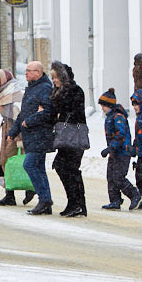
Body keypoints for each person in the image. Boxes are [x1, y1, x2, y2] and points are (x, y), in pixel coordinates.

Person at [9, 61, 55, 215]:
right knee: (39, 168)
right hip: (31, 135)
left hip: (40, 135)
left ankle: (44, 199)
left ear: (38, 72)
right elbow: (24, 113)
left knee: (30, 165)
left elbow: (48, 112)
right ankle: (45, 201)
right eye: (26, 71)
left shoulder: (45, 88)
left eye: (29, 71)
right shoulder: (31, 89)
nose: (26, 73)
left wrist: (29, 121)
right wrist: (13, 131)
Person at [49, 61, 88, 218]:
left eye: (56, 77)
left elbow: (69, 110)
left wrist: (57, 110)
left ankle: (76, 203)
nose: (54, 81)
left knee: (69, 169)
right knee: (65, 168)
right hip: (67, 137)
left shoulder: (74, 91)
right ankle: (76, 203)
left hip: (74, 137)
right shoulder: (61, 92)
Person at [0, 69, 32, 207]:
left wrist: (18, 137)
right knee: (5, 162)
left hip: (14, 133)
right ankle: (10, 194)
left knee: (13, 161)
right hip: (7, 131)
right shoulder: (5, 92)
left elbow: (18, 116)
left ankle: (29, 188)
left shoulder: (14, 94)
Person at [97, 88, 141, 211]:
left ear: (109, 105)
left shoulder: (118, 117)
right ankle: (115, 200)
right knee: (110, 176)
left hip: (122, 152)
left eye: (103, 106)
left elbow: (121, 134)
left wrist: (111, 147)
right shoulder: (110, 117)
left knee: (118, 176)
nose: (102, 108)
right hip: (114, 152)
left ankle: (134, 194)